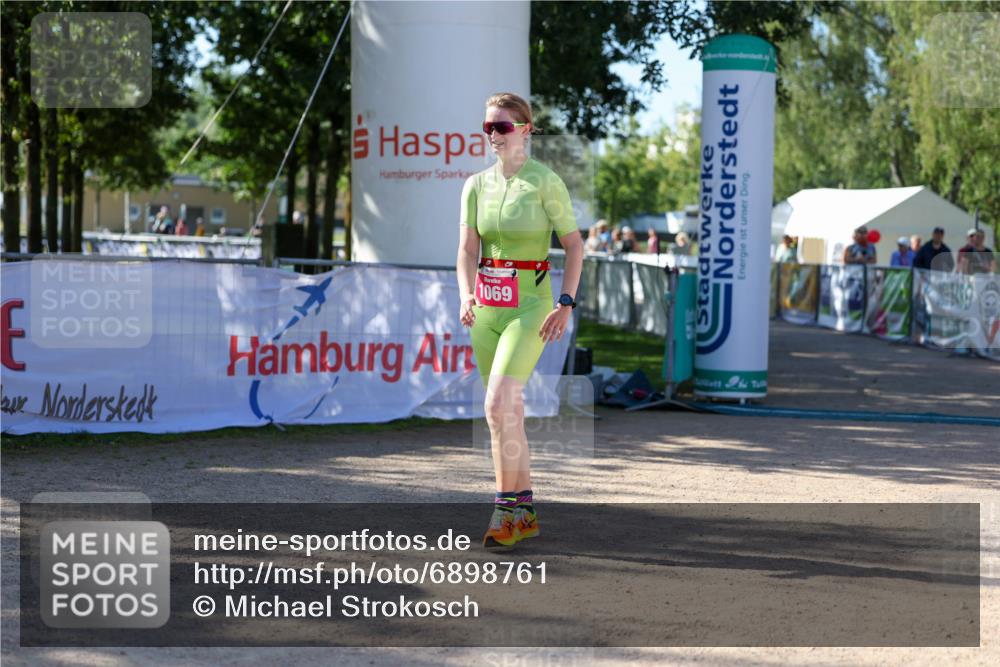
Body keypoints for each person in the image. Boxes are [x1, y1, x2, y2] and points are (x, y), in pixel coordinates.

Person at [456, 92, 583, 551]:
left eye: (502, 126)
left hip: (532, 307)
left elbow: (574, 246)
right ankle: (524, 511)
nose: (493, 134)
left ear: (526, 129)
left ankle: (504, 511)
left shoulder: (546, 182)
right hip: (486, 310)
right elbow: (468, 251)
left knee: (496, 405)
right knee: (504, 416)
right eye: (488, 126)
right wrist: (466, 294)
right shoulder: (474, 185)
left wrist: (565, 303)